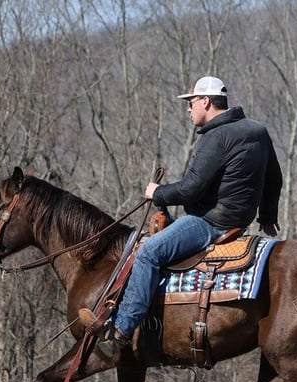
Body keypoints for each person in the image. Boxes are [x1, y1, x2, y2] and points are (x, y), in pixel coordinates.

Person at [79, 75, 282, 353]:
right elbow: (274, 178)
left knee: (149, 251)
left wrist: (156, 193)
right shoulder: (257, 130)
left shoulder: (216, 137)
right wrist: (267, 216)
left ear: (206, 102)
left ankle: (122, 328)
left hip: (210, 222)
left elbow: (190, 190)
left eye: (191, 103)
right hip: (239, 220)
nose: (188, 109)